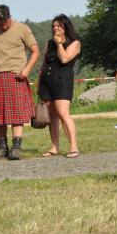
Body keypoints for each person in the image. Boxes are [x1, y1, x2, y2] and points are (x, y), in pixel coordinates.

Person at [0, 4, 40, 160]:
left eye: (4, 22)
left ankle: (16, 148)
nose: (2, 26)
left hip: (16, 77)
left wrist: (27, 70)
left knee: (16, 115)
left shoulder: (22, 28)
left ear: (9, 16)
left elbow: (35, 51)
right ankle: (2, 148)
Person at [38, 14, 81, 158]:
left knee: (63, 113)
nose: (55, 28)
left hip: (63, 81)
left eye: (58, 26)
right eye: (53, 26)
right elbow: (45, 63)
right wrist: (39, 82)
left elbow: (64, 59)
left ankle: (74, 147)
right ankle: (54, 147)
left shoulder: (74, 43)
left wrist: (59, 44)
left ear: (65, 27)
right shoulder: (50, 43)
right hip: (47, 81)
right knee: (52, 116)